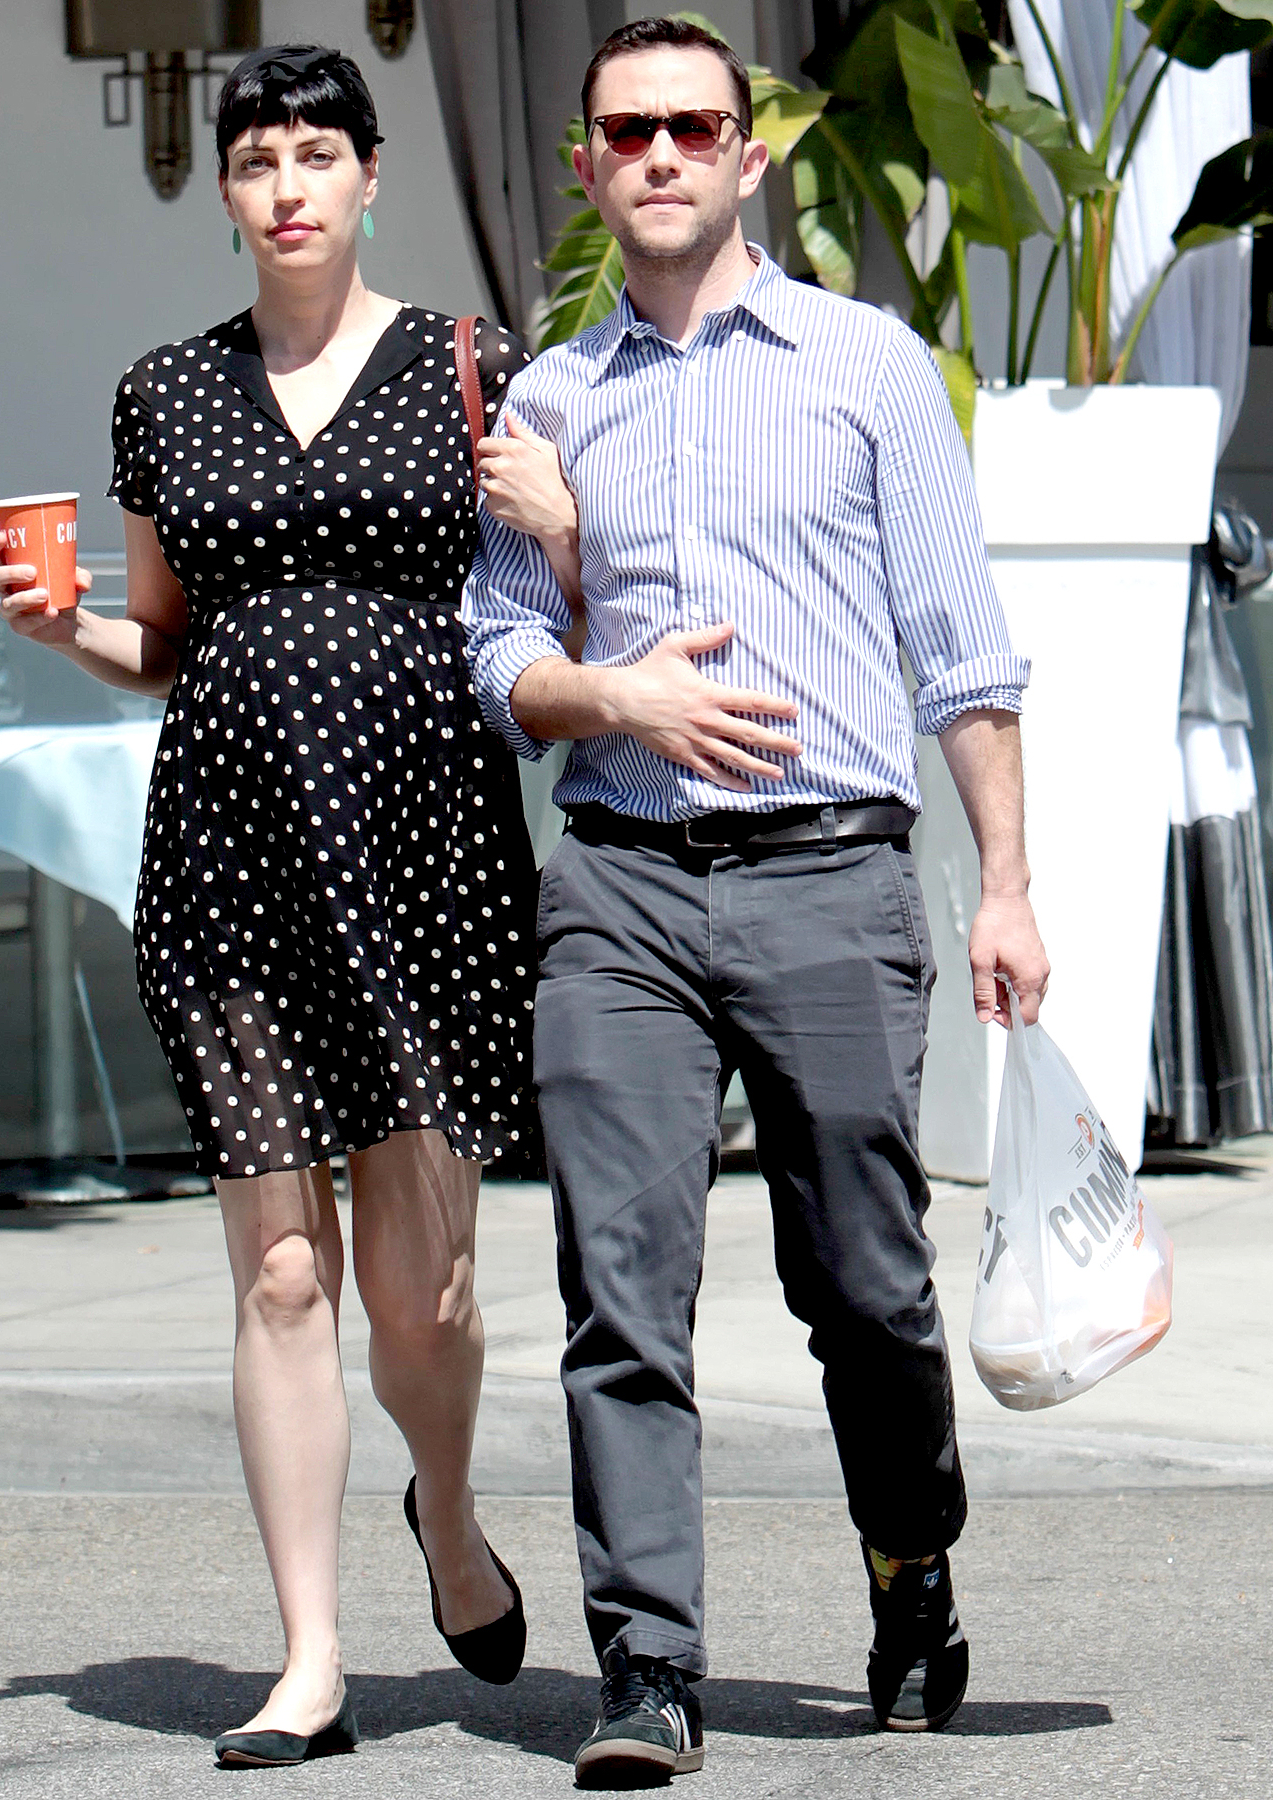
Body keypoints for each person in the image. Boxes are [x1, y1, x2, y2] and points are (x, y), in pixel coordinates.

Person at [462, 15, 1051, 1787]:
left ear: (746, 154)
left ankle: (908, 1565)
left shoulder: (866, 365)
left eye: (689, 125)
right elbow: (498, 654)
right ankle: (646, 1663)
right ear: (584, 163)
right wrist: (605, 669)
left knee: (864, 1285)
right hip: (622, 886)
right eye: (623, 129)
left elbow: (962, 650)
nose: (656, 152)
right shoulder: (545, 404)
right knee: (616, 1283)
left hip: (828, 878)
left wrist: (1005, 884)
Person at [0, 44, 580, 1770]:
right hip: (234, 858)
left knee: (426, 1292)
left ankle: (448, 1516)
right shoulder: (163, 391)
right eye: (259, 160)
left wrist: (567, 520)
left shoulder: (472, 362)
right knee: (276, 1278)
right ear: (230, 190)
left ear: (370, 175)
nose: (289, 183)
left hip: (425, 859)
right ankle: (309, 1655)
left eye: (319, 152)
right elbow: (162, 646)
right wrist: (62, 631)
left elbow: (559, 595)